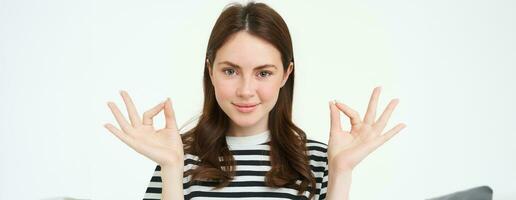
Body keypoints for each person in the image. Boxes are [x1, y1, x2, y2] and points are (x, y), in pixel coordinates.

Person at [104, 2, 406, 200]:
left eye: (263, 73)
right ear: (210, 70)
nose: (246, 90)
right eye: (231, 71)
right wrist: (171, 166)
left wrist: (341, 173)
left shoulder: (319, 160)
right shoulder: (175, 155)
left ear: (286, 74)